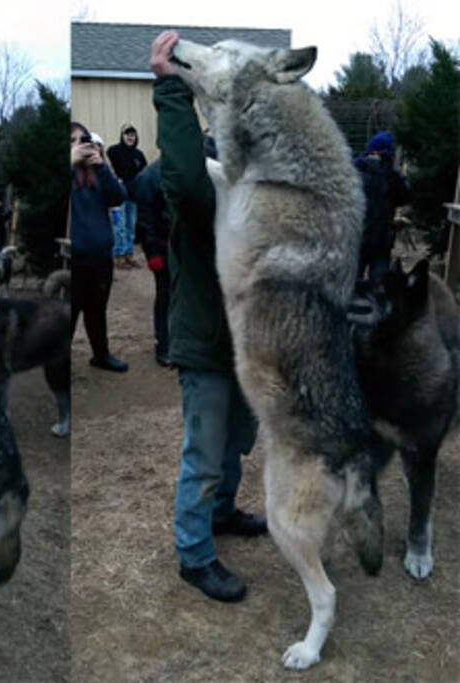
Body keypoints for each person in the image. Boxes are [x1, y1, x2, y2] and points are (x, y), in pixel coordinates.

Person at [151, 30, 267, 604]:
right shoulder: (192, 193)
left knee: (238, 438)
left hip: (246, 343)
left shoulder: (238, 186)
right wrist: (171, 92)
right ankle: (194, 554)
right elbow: (183, 176)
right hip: (205, 342)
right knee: (204, 451)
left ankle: (222, 513)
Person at [69, 121, 129, 373]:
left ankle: (101, 355)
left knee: (96, 310)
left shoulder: (95, 173)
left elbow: (117, 197)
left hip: (100, 256)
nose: (79, 146)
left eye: (82, 140)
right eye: (72, 141)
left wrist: (101, 166)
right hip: (72, 259)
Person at [354, 131, 410, 284]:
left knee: (350, 285)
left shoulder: (356, 170)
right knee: (379, 288)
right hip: (382, 241)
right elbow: (405, 197)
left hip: (356, 238)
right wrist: (402, 178)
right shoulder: (392, 177)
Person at [133, 157, 173, 367]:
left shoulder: (193, 167)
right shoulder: (149, 177)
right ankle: (163, 345)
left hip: (187, 247)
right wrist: (152, 254)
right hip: (163, 247)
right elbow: (145, 220)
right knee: (165, 296)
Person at [107, 124, 148, 268]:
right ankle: (118, 256)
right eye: (127, 134)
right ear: (122, 136)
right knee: (119, 226)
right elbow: (108, 162)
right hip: (119, 196)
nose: (130, 137)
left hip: (134, 196)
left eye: (133, 135)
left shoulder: (139, 155)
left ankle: (128, 254)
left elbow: (144, 173)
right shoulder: (114, 151)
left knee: (131, 227)